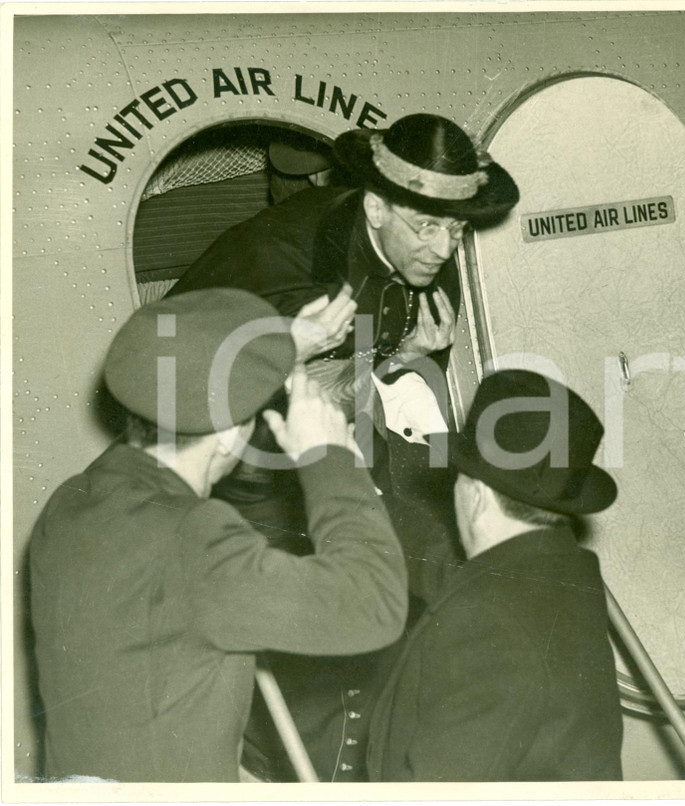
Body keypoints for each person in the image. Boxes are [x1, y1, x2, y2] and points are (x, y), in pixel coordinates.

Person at [166, 113, 520, 781]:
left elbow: (361, 373)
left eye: (457, 228)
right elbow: (223, 389)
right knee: (315, 646)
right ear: (377, 204)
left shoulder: (422, 258)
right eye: (428, 226)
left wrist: (405, 355)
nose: (444, 248)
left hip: (333, 431)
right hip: (237, 457)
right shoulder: (279, 262)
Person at [29, 288, 407, 782]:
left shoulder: (73, 502)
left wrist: (276, 350)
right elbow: (374, 604)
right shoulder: (194, 537)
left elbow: (175, 390)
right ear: (232, 435)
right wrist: (329, 459)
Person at [367, 369, 624, 781]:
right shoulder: (562, 572)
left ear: (476, 496)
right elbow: (448, 570)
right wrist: (357, 488)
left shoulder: (491, 625)